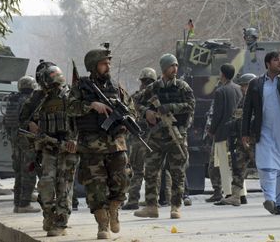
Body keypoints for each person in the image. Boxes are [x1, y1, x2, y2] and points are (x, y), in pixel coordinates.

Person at [68, 49, 132, 239]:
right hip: (91, 147)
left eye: (109, 63)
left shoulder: (116, 87)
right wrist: (91, 106)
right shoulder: (81, 87)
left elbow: (131, 108)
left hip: (116, 145)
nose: (108, 66)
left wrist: (126, 118)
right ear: (94, 66)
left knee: (122, 181)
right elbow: (69, 108)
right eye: (104, 63)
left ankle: (114, 209)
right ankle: (102, 225)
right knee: (96, 188)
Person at [242, 51, 280, 215]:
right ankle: (269, 198)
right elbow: (247, 110)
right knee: (266, 165)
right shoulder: (256, 83)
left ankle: (279, 203)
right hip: (264, 131)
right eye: (276, 59)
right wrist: (245, 132)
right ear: (268, 64)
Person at [20, 62, 78, 237]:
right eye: (51, 84)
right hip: (47, 147)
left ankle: (60, 222)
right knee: (46, 184)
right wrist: (30, 124)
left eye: (57, 83)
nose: (55, 87)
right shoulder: (37, 98)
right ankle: (49, 215)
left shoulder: (72, 95)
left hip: (68, 148)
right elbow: (21, 119)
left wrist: (75, 140)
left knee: (64, 186)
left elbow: (83, 121)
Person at [134, 53, 195, 219]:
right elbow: (137, 101)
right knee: (151, 172)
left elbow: (190, 105)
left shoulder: (182, 87)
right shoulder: (153, 88)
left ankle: (175, 206)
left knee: (177, 172)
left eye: (176, 65)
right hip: (157, 136)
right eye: (171, 66)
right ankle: (151, 206)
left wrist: (169, 107)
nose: (175, 69)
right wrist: (147, 112)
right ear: (164, 68)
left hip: (177, 135)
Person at [216, 73, 257, 206]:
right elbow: (237, 115)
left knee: (264, 167)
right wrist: (233, 125)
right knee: (238, 167)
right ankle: (235, 195)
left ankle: (273, 196)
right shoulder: (243, 99)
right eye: (243, 86)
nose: (243, 89)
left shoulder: (260, 99)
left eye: (246, 86)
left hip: (256, 139)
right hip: (242, 138)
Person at [3, 75, 40, 213]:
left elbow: (7, 122)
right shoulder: (30, 101)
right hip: (27, 139)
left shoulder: (13, 100)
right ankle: (24, 204)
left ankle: (17, 203)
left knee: (18, 172)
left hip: (15, 139)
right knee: (29, 171)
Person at [122, 67, 157, 210]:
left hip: (139, 138)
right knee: (155, 170)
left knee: (136, 170)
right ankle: (154, 200)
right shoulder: (159, 96)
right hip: (155, 138)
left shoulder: (136, 97)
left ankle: (133, 200)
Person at [207, 64, 242, 206]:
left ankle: (228, 193)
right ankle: (240, 194)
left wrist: (212, 130)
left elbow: (218, 115)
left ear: (223, 75)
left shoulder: (220, 91)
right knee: (237, 164)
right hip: (237, 131)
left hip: (223, 133)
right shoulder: (239, 89)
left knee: (223, 164)